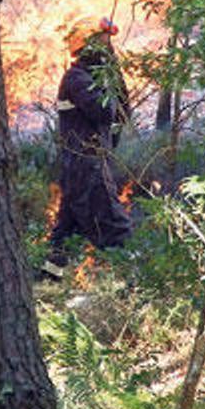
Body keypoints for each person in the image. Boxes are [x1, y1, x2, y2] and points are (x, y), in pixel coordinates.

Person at [42, 16, 133, 280]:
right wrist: (106, 79)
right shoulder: (77, 79)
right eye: (104, 43)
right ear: (87, 46)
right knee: (116, 226)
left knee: (67, 229)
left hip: (82, 165)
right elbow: (103, 111)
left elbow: (122, 113)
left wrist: (113, 73)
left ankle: (50, 277)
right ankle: (132, 281)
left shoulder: (94, 77)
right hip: (87, 165)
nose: (108, 48)